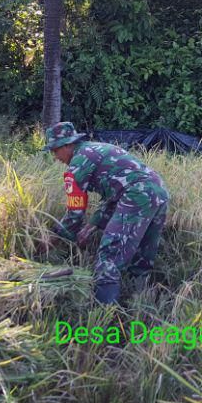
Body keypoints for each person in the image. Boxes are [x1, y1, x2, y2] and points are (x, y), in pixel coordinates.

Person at [43, 121, 169, 305]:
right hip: (158, 192)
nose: (55, 157)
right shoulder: (95, 149)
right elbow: (116, 192)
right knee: (142, 256)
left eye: (55, 150)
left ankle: (104, 315)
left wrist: (53, 239)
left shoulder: (78, 163)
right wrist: (92, 225)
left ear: (68, 145)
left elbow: (74, 213)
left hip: (137, 194)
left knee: (109, 257)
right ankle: (141, 306)